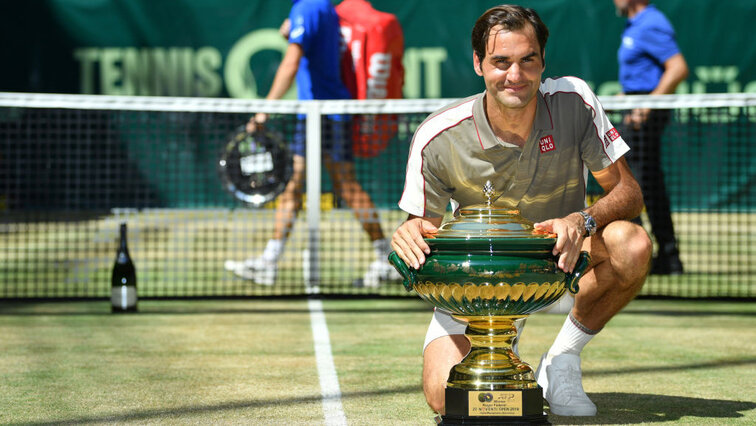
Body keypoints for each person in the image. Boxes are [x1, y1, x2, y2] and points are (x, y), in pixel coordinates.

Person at [390, 4, 652, 417]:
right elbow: (423, 226)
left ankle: (562, 359)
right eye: (501, 62)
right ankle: (498, 349)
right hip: (480, 287)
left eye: (528, 60)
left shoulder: (574, 100)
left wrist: (579, 220)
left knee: (631, 243)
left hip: (560, 265)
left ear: (543, 61)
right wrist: (410, 232)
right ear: (478, 63)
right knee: (447, 397)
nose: (516, 75)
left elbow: (629, 193)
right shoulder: (436, 137)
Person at [224, 0, 399, 287]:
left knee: (343, 184)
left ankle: (385, 257)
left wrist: (264, 111)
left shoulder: (308, 7)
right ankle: (270, 261)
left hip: (323, 113)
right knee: (296, 184)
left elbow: (292, 62)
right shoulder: (320, 7)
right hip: (318, 112)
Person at [614, 0, 689, 275]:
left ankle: (647, 255)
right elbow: (640, 78)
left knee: (634, 185)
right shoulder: (634, 25)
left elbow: (678, 68)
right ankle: (665, 257)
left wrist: (647, 105)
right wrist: (621, 100)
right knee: (646, 183)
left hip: (645, 114)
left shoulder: (652, 22)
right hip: (634, 107)